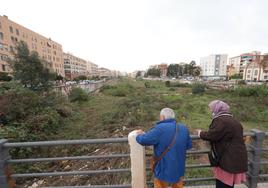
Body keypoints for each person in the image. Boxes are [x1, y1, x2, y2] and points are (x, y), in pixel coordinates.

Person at [136, 108, 192, 188]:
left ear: (162, 117)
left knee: (160, 184)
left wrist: (139, 135)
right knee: (178, 185)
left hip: (163, 167)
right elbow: (188, 145)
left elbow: (143, 140)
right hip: (179, 167)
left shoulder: (160, 128)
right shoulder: (184, 128)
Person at [197, 100, 248, 188]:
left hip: (227, 158)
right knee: (228, 184)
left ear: (217, 109)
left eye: (212, 109)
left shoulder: (220, 120)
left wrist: (200, 133)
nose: (211, 111)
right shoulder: (233, 120)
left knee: (223, 183)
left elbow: (212, 135)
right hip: (235, 156)